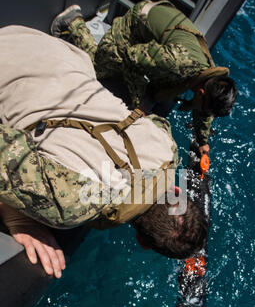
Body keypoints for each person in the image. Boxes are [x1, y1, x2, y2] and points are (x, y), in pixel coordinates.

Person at [0, 25, 208, 277]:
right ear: (142, 241)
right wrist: (17, 214)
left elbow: (155, 122)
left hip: (47, 46)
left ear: (176, 190)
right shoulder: (71, 203)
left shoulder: (165, 145)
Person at [50, 0, 238, 156]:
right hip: (134, 28)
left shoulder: (209, 76)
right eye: (203, 107)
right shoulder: (177, 62)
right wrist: (140, 105)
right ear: (201, 92)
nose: (202, 112)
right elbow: (131, 56)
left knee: (155, 102)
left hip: (156, 40)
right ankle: (73, 20)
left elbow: (204, 111)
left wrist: (202, 142)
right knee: (100, 69)